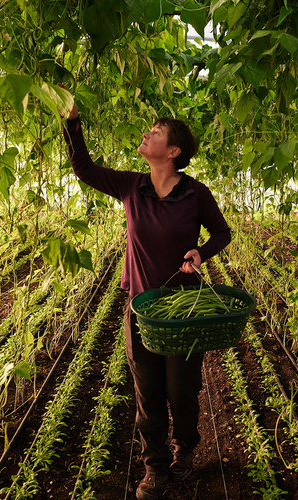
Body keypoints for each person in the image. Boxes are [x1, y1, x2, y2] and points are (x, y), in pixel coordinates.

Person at [62, 95, 231, 499]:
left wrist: (200, 253)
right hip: (141, 307)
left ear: (173, 152)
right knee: (148, 393)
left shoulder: (195, 193)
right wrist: (72, 122)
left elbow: (222, 233)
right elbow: (83, 169)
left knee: (181, 391)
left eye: (155, 133)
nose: (146, 134)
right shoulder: (130, 185)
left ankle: (184, 451)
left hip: (183, 312)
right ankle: (154, 467)